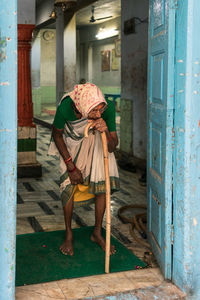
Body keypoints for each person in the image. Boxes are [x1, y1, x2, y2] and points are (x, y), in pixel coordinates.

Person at [48, 83, 120, 256]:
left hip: (97, 147)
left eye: (100, 110)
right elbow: (57, 134)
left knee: (102, 187)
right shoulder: (66, 106)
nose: (98, 114)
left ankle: (97, 232)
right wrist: (70, 166)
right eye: (94, 111)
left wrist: (106, 132)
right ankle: (69, 233)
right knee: (69, 186)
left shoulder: (105, 108)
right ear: (83, 106)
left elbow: (112, 147)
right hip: (71, 147)